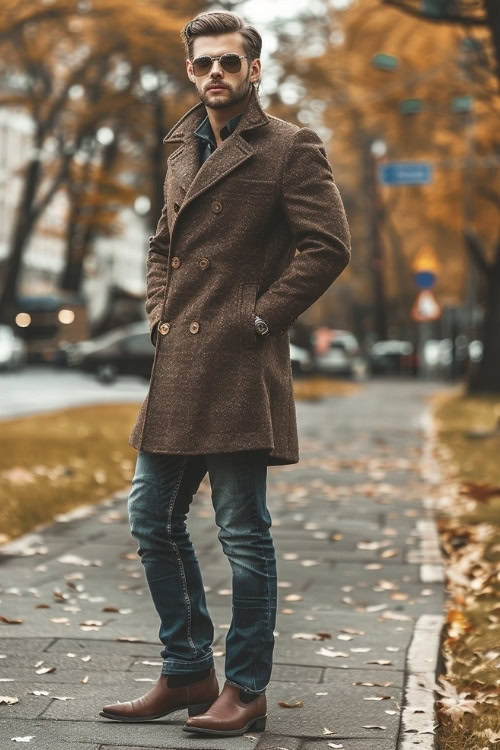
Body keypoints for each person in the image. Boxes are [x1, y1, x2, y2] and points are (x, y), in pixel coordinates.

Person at [100, 8, 350, 738]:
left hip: (240, 362)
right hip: (180, 361)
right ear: (190, 70)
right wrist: (158, 310)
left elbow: (327, 246)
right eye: (204, 62)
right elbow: (161, 244)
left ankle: (244, 688)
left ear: (254, 69)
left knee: (243, 532)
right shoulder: (181, 142)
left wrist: (259, 318)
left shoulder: (289, 147)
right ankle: (185, 671)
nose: (216, 73)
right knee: (151, 517)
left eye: (229, 62)